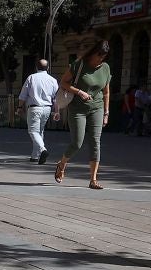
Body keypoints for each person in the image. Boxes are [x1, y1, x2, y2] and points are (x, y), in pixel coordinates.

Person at [54, 35, 111, 189]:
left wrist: (106, 112)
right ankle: (62, 164)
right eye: (98, 57)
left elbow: (106, 92)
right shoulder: (79, 64)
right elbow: (63, 83)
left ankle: (93, 179)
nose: (99, 61)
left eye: (102, 58)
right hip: (77, 109)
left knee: (95, 142)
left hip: (97, 108)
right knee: (77, 143)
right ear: (93, 53)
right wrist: (79, 92)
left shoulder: (105, 68)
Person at [17, 59, 59, 164]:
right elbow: (56, 98)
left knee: (33, 131)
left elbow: (23, 95)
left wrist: (19, 107)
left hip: (34, 108)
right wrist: (57, 111)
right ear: (48, 68)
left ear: (36, 67)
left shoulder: (31, 78)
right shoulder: (53, 80)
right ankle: (35, 156)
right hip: (47, 109)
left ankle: (42, 150)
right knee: (40, 131)